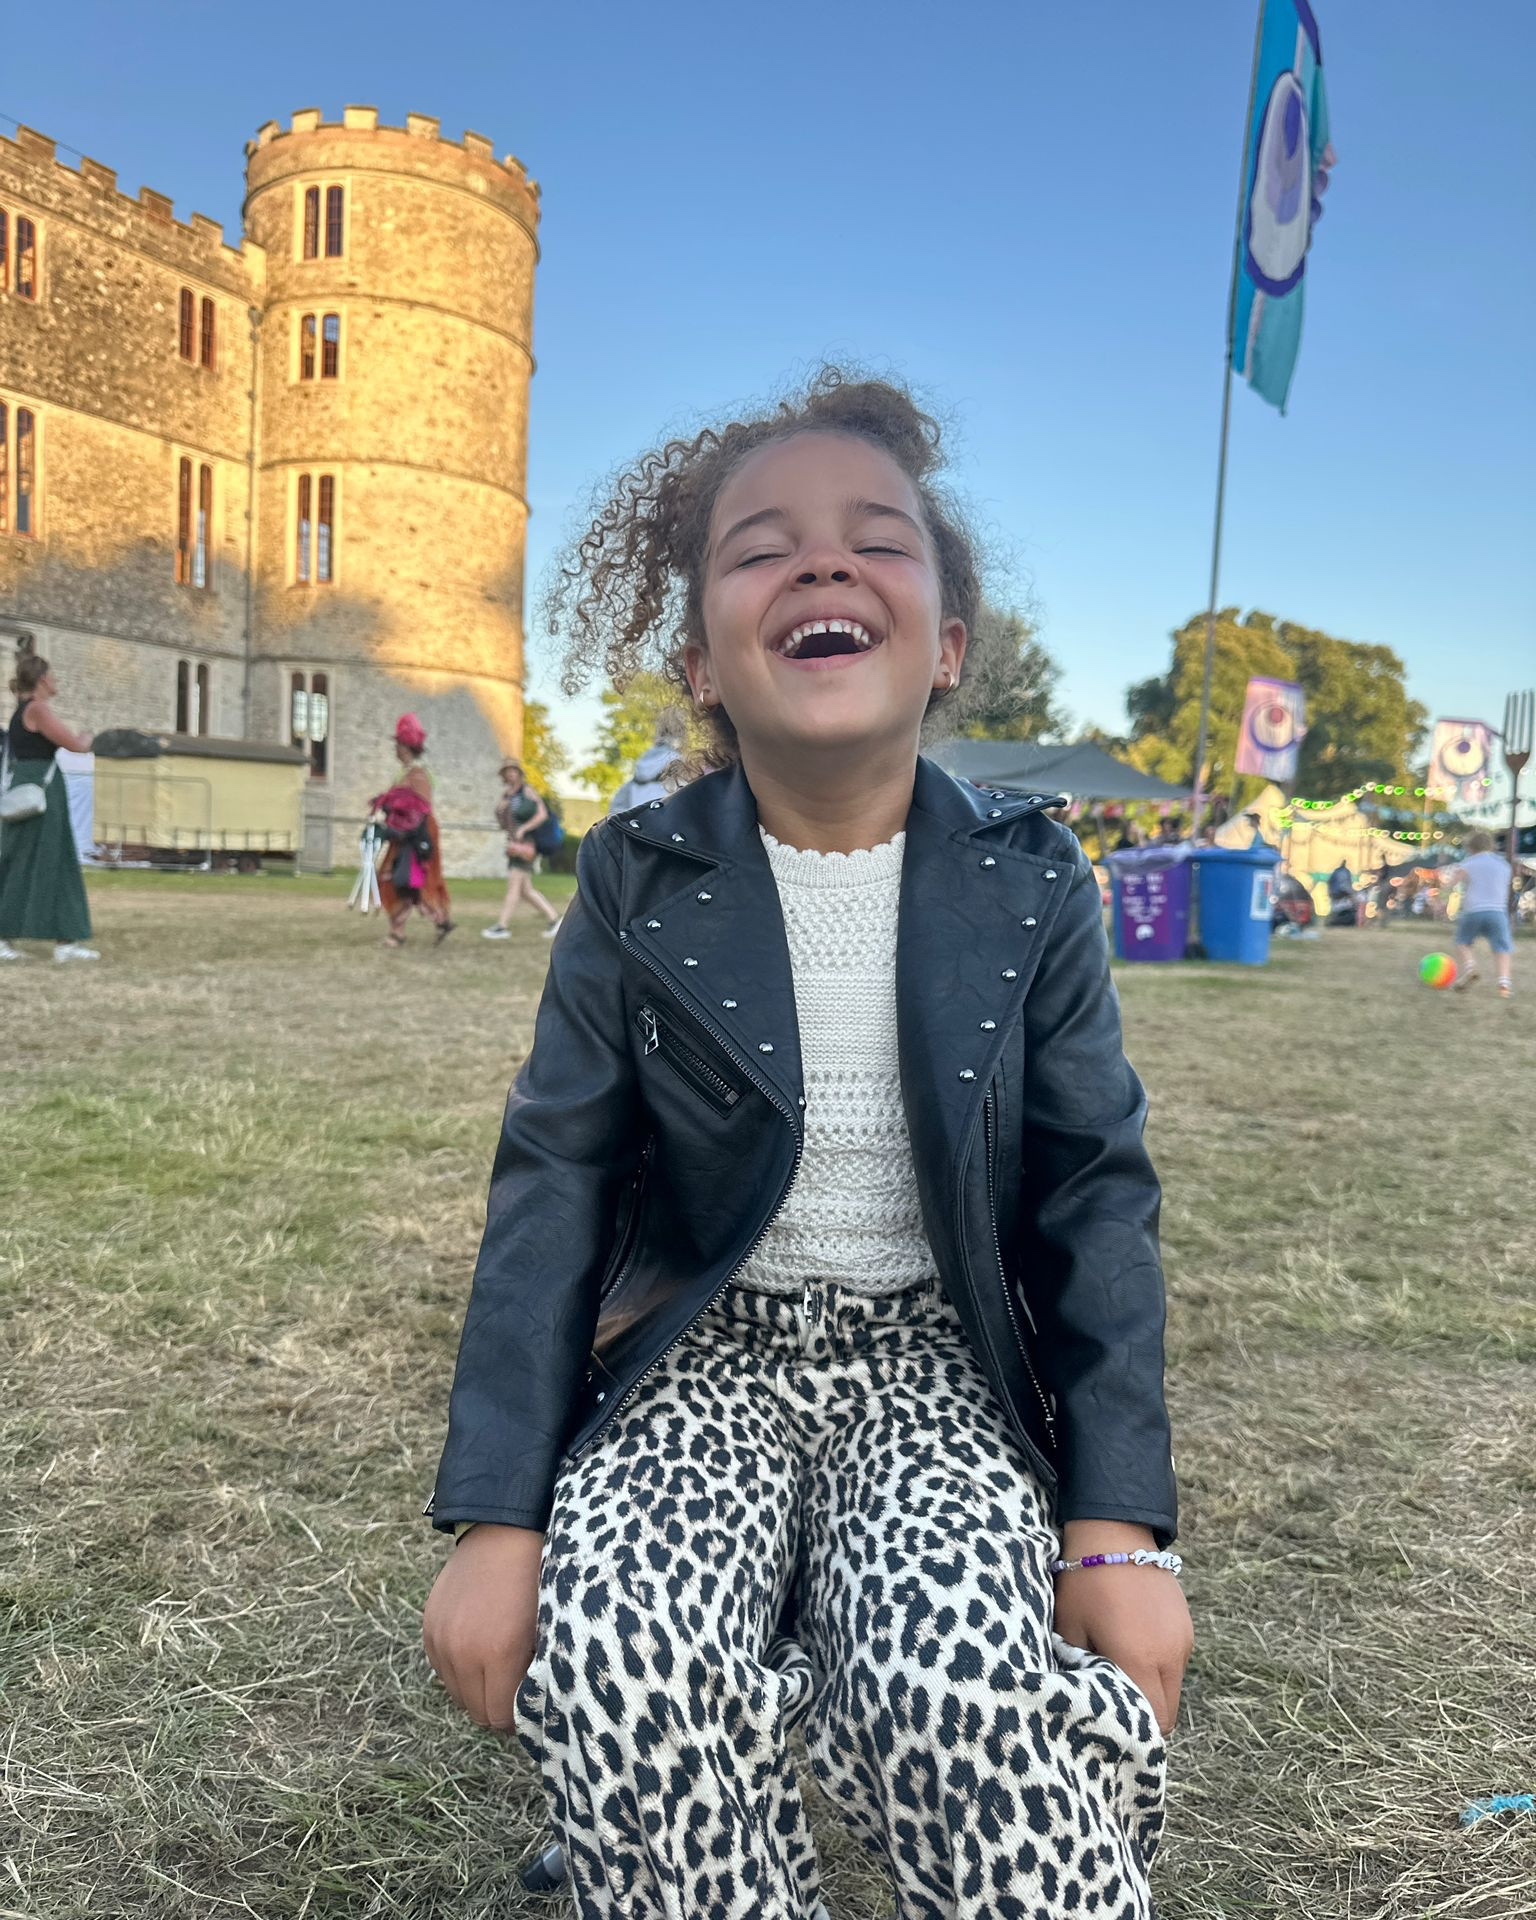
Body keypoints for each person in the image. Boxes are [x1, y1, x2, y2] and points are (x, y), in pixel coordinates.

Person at [422, 371, 1189, 1920]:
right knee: (624, 1662)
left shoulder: (1033, 882)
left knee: (953, 1691)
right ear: (703, 658)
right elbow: (554, 1182)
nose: (824, 566)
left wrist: (1116, 1529)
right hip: (703, 1361)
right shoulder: (635, 877)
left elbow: (1095, 1196)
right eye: (763, 547)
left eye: (876, 542)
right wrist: (498, 1511)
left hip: (935, 1367)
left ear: (947, 645)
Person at [0, 653, 99, 963]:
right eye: (52, 676)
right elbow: (76, 746)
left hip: (26, 785)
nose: (55, 681)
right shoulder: (39, 709)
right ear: (42, 680)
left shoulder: (20, 710)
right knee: (57, 858)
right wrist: (88, 736)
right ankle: (65, 943)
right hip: (43, 789)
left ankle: (48, 939)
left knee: (16, 859)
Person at [373, 714, 453, 950]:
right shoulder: (407, 772)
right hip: (402, 834)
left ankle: (413, 927)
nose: (395, 749)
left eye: (397, 744)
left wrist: (404, 824)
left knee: (412, 880)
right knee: (400, 879)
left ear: (406, 746)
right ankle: (435, 922)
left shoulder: (418, 775)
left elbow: (422, 807)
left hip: (417, 835)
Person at [483, 759, 562, 940]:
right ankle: (554, 919)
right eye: (507, 771)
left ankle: (502, 926)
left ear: (519, 773)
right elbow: (504, 823)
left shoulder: (527, 791)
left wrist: (524, 828)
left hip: (526, 845)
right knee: (525, 890)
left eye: (513, 771)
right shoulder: (506, 796)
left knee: (514, 885)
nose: (510, 774)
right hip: (513, 844)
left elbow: (542, 814)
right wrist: (500, 811)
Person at [1450, 829, 1515, 997]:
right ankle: (1504, 985)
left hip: (1474, 911)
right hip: (1498, 912)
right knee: (1502, 948)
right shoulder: (1504, 865)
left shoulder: (1469, 863)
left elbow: (1452, 883)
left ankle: (1470, 967)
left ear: (1470, 847)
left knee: (1463, 942)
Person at [606, 710, 688, 814]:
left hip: (637, 826)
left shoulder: (644, 760)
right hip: (665, 826)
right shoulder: (680, 762)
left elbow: (617, 808)